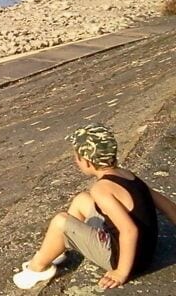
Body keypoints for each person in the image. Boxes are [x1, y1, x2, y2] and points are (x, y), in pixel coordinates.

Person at [13, 123, 176, 290]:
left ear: (88, 162)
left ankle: (37, 268)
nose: (75, 160)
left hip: (126, 259)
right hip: (145, 251)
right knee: (82, 199)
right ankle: (58, 247)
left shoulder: (101, 189)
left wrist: (121, 272)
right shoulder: (128, 175)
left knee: (60, 221)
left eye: (77, 157)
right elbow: (169, 206)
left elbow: (129, 230)